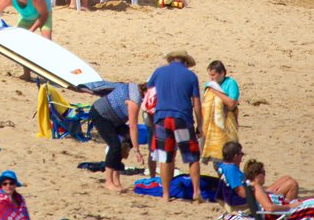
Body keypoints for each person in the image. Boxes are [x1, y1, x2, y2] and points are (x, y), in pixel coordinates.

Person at [147, 50, 203, 203]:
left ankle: (165, 194)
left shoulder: (159, 72)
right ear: (186, 62)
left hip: (162, 117)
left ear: (170, 60)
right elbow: (196, 103)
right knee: (192, 156)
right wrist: (200, 124)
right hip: (182, 118)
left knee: (166, 157)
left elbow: (150, 96)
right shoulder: (191, 76)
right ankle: (196, 192)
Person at [91, 81, 144, 191]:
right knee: (115, 146)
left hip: (114, 119)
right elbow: (133, 127)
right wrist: (137, 151)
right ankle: (108, 182)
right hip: (101, 115)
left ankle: (116, 176)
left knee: (127, 140)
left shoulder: (133, 87)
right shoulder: (135, 100)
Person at [200, 61, 239, 163]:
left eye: (213, 75)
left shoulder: (231, 83)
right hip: (213, 129)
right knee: (217, 162)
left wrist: (216, 92)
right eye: (210, 75)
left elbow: (231, 104)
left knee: (231, 158)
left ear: (222, 73)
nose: (211, 78)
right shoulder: (209, 86)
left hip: (227, 127)